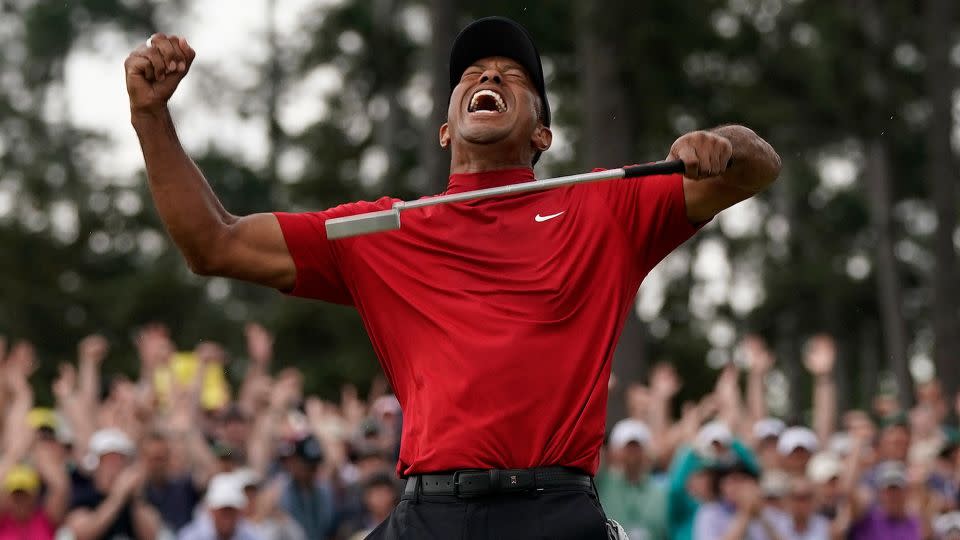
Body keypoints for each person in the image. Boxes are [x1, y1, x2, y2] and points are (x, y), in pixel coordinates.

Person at [123, 13, 781, 537]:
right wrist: (151, 118)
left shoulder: (605, 208)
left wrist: (721, 144)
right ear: (446, 128)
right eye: (471, 72)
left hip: (553, 512)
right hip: (429, 515)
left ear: (542, 135)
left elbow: (758, 168)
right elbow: (215, 243)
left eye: (510, 75)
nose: (486, 76)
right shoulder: (382, 231)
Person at [65, 428, 164, 540]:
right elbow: (83, 533)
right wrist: (117, 497)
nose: (115, 468)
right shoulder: (84, 494)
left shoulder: (139, 498)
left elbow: (151, 535)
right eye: (109, 461)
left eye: (120, 461)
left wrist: (135, 499)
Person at [598, 419, 668, 540]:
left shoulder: (660, 491)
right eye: (628, 448)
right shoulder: (602, 482)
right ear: (615, 451)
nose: (633, 454)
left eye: (637, 448)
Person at [178, 473, 262, 540]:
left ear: (239, 512)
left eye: (231, 510)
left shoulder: (251, 534)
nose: (227, 517)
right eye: (223, 510)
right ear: (211, 511)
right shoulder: (191, 536)